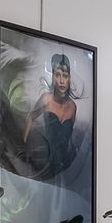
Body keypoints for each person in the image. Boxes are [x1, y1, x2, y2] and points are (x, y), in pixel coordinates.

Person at [22, 52, 81, 180]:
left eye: (65, 76)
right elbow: (30, 117)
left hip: (64, 165)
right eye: (57, 75)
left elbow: (68, 137)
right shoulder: (46, 100)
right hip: (46, 164)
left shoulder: (73, 107)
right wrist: (25, 146)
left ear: (69, 79)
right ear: (53, 77)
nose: (61, 81)